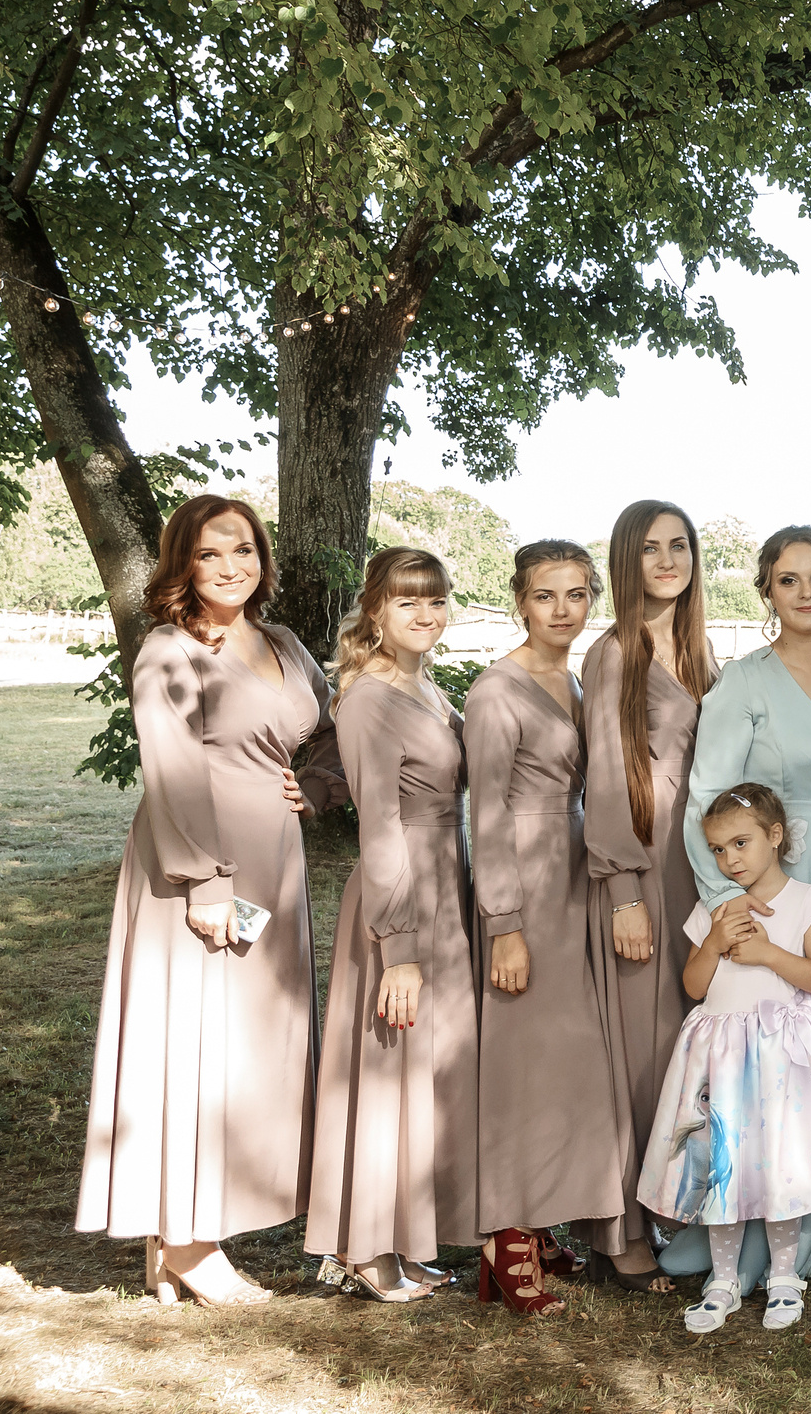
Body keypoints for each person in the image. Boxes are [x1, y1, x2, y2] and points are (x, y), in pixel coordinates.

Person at [76, 495, 346, 1306]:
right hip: (200, 869)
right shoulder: (169, 650)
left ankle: (190, 1231)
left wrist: (324, 785)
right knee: (196, 1044)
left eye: (244, 549)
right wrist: (206, 883)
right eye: (209, 554)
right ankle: (189, 1245)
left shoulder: (286, 643)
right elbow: (173, 770)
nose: (231, 566)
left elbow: (329, 731)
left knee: (252, 1045)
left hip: (277, 865)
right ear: (181, 565)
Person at [679, 526, 811, 1283]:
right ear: (767, 592)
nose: (807, 591)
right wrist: (724, 902)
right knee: (771, 1051)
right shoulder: (743, 680)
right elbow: (707, 795)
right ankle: (760, 1222)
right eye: (789, 579)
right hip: (771, 883)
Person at [640, 783, 811, 1334]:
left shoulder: (807, 901)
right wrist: (712, 943)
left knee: (782, 1165)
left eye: (741, 843)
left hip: (782, 1063)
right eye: (719, 850)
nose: (730, 859)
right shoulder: (713, 911)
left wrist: (769, 954)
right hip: (723, 1060)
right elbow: (694, 984)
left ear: (774, 837)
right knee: (724, 1166)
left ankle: (783, 1275)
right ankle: (723, 1279)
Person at [306, 547, 475, 1303]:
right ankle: (361, 1248)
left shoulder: (426, 687)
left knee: (419, 1074)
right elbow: (378, 825)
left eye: (435, 599)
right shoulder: (372, 697)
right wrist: (398, 949)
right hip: (397, 898)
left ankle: (403, 1238)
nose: (424, 614)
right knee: (383, 1072)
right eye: (407, 600)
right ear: (374, 609)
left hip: (444, 886)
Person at [466, 540, 630, 1316]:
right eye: (545, 595)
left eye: (577, 593)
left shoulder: (570, 675)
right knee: (518, 1066)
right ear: (519, 601)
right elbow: (487, 813)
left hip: (571, 876)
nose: (563, 609)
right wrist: (504, 924)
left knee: (563, 1061)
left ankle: (537, 1217)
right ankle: (504, 1235)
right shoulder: (495, 691)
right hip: (524, 884)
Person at [582, 500, 718, 1295]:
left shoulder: (699, 650)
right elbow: (606, 774)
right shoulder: (614, 654)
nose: (668, 559)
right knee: (636, 1052)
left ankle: (677, 1209)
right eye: (652, 548)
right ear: (627, 560)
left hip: (696, 869)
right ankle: (619, 1235)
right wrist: (624, 888)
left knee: (685, 1046)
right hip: (639, 868)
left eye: (681, 545)